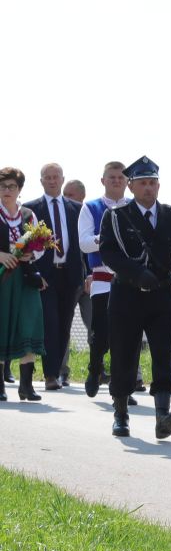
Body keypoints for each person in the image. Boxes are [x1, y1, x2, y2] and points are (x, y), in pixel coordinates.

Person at [97, 156, 171, 439]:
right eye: (142, 183)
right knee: (124, 354)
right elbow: (108, 252)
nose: (148, 188)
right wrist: (136, 272)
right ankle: (121, 414)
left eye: (152, 183)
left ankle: (162, 416)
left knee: (163, 353)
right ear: (131, 187)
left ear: (159, 185)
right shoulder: (116, 216)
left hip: (161, 296)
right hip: (127, 294)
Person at [27, 163, 83, 392]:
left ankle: (57, 370)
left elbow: (82, 242)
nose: (52, 181)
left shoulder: (77, 208)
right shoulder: (31, 209)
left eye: (55, 177)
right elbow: (25, 245)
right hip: (45, 275)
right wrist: (33, 273)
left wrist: (87, 274)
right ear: (41, 181)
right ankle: (50, 374)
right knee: (49, 323)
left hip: (69, 274)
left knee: (64, 324)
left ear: (62, 179)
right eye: (47, 177)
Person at [77, 161, 130, 398]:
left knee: (127, 334)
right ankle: (95, 368)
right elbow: (84, 243)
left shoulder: (134, 206)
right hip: (102, 276)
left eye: (120, 177)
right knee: (100, 332)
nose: (117, 181)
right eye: (112, 177)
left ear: (127, 181)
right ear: (103, 180)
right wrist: (109, 235)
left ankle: (122, 385)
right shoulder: (91, 207)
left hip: (129, 278)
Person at [0, 166, 46, 402]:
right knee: (1, 325)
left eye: (11, 186)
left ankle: (26, 386)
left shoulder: (28, 215)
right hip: (2, 278)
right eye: (2, 186)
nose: (6, 190)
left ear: (19, 189)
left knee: (29, 324)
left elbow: (41, 244)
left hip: (26, 278)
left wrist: (31, 254)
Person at [60, 179, 88, 386]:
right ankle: (62, 371)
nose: (66, 198)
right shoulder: (61, 217)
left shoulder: (90, 214)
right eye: (65, 195)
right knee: (64, 328)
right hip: (69, 281)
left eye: (70, 195)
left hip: (91, 282)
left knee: (97, 327)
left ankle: (99, 369)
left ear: (82, 197)